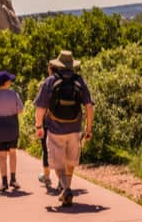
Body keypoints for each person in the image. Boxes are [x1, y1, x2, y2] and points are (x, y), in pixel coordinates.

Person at [34, 51, 94, 207]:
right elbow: (89, 106)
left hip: (55, 129)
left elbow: (40, 107)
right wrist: (88, 130)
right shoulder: (79, 81)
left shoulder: (50, 81)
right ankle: (66, 189)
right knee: (70, 161)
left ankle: (65, 188)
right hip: (75, 128)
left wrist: (39, 126)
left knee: (58, 162)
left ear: (57, 65)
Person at [0, 71, 24, 193]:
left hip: (0, 126)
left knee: (2, 156)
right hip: (12, 124)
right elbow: (20, 110)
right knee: (12, 153)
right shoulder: (14, 95)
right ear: (6, 82)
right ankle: (13, 179)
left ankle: (4, 182)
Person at [37, 65, 54, 188]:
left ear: (50, 70)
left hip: (47, 122)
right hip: (62, 124)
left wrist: (38, 125)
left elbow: (40, 107)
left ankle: (47, 177)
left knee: (46, 150)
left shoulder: (47, 84)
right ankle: (62, 181)